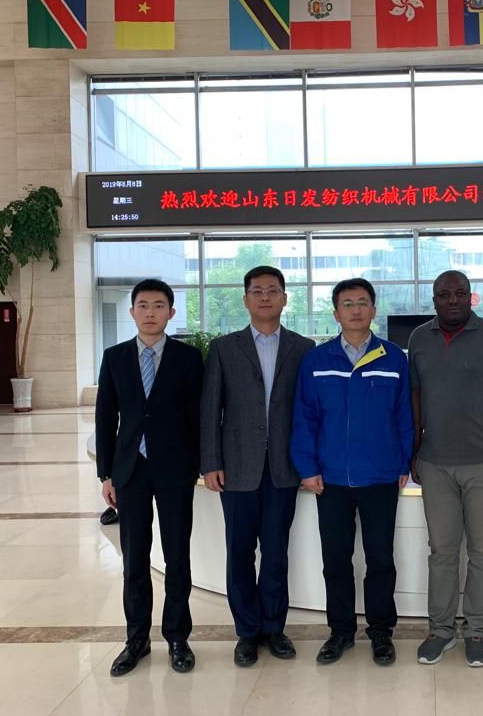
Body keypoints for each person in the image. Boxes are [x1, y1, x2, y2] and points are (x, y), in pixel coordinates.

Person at [408, 270, 483, 668]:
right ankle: (440, 631)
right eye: (445, 294)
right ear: (434, 299)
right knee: (441, 552)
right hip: (436, 464)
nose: (453, 300)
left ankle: (476, 631)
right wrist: (415, 451)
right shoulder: (419, 339)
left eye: (461, 293)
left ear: (471, 296)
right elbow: (415, 397)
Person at [291, 278, 413, 666]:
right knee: (336, 561)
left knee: (380, 559)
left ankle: (381, 632)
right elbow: (304, 418)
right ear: (336, 313)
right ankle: (340, 632)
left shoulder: (394, 358)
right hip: (331, 479)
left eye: (362, 302)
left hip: (380, 476)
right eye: (348, 303)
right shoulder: (317, 359)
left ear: (374, 310)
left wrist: (404, 462)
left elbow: (405, 415)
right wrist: (307, 467)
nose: (356, 309)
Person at [200, 266, 314, 668]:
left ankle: (274, 628)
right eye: (258, 291)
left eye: (273, 290)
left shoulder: (303, 348)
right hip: (236, 467)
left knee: (276, 552)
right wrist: (211, 462)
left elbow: (309, 411)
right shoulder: (224, 348)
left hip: (284, 467)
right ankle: (247, 632)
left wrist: (309, 463)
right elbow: (210, 409)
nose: (265, 297)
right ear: (246, 299)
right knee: (240, 552)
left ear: (284, 298)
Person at [95, 278, 203, 677]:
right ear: (132, 312)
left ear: (171, 312)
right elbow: (105, 417)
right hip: (130, 471)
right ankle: (136, 639)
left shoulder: (188, 358)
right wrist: (106, 473)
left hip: (175, 469)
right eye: (143, 305)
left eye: (159, 306)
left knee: (177, 557)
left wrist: (201, 465)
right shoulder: (115, 357)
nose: (151, 312)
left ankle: (177, 637)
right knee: (135, 559)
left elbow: (198, 417)